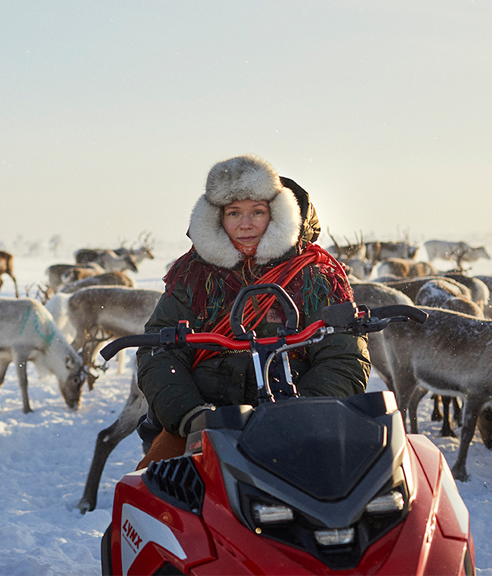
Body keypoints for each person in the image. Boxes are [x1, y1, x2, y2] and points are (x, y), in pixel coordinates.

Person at [135, 154, 371, 465]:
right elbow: (160, 354)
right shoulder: (192, 277)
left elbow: (343, 357)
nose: (245, 224)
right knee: (151, 488)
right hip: (206, 424)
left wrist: (305, 409)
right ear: (218, 219)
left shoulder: (315, 277)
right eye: (234, 213)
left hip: (302, 420)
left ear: (276, 215)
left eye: (257, 212)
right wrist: (191, 415)